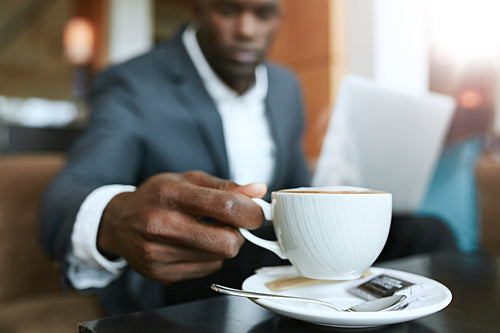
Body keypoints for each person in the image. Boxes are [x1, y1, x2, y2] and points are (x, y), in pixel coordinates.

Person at [40, 0, 457, 316]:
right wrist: (116, 217)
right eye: (228, 9)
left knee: (429, 233)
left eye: (263, 13)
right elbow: (69, 192)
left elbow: (292, 189)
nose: (246, 30)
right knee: (234, 252)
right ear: (196, 7)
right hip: (191, 273)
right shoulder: (133, 82)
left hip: (274, 254)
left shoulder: (284, 87)